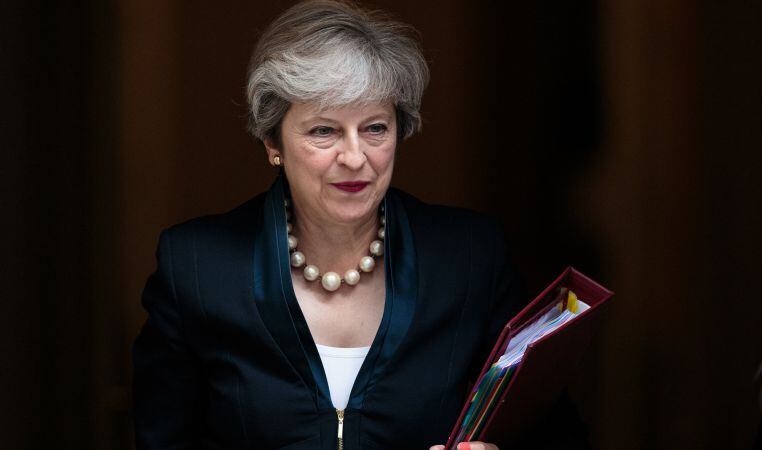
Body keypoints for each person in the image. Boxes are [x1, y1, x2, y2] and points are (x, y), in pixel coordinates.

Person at [132, 1, 589, 449]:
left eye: (375, 128)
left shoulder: (469, 258)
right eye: (324, 131)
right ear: (272, 140)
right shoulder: (197, 267)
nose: (355, 158)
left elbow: (553, 433)